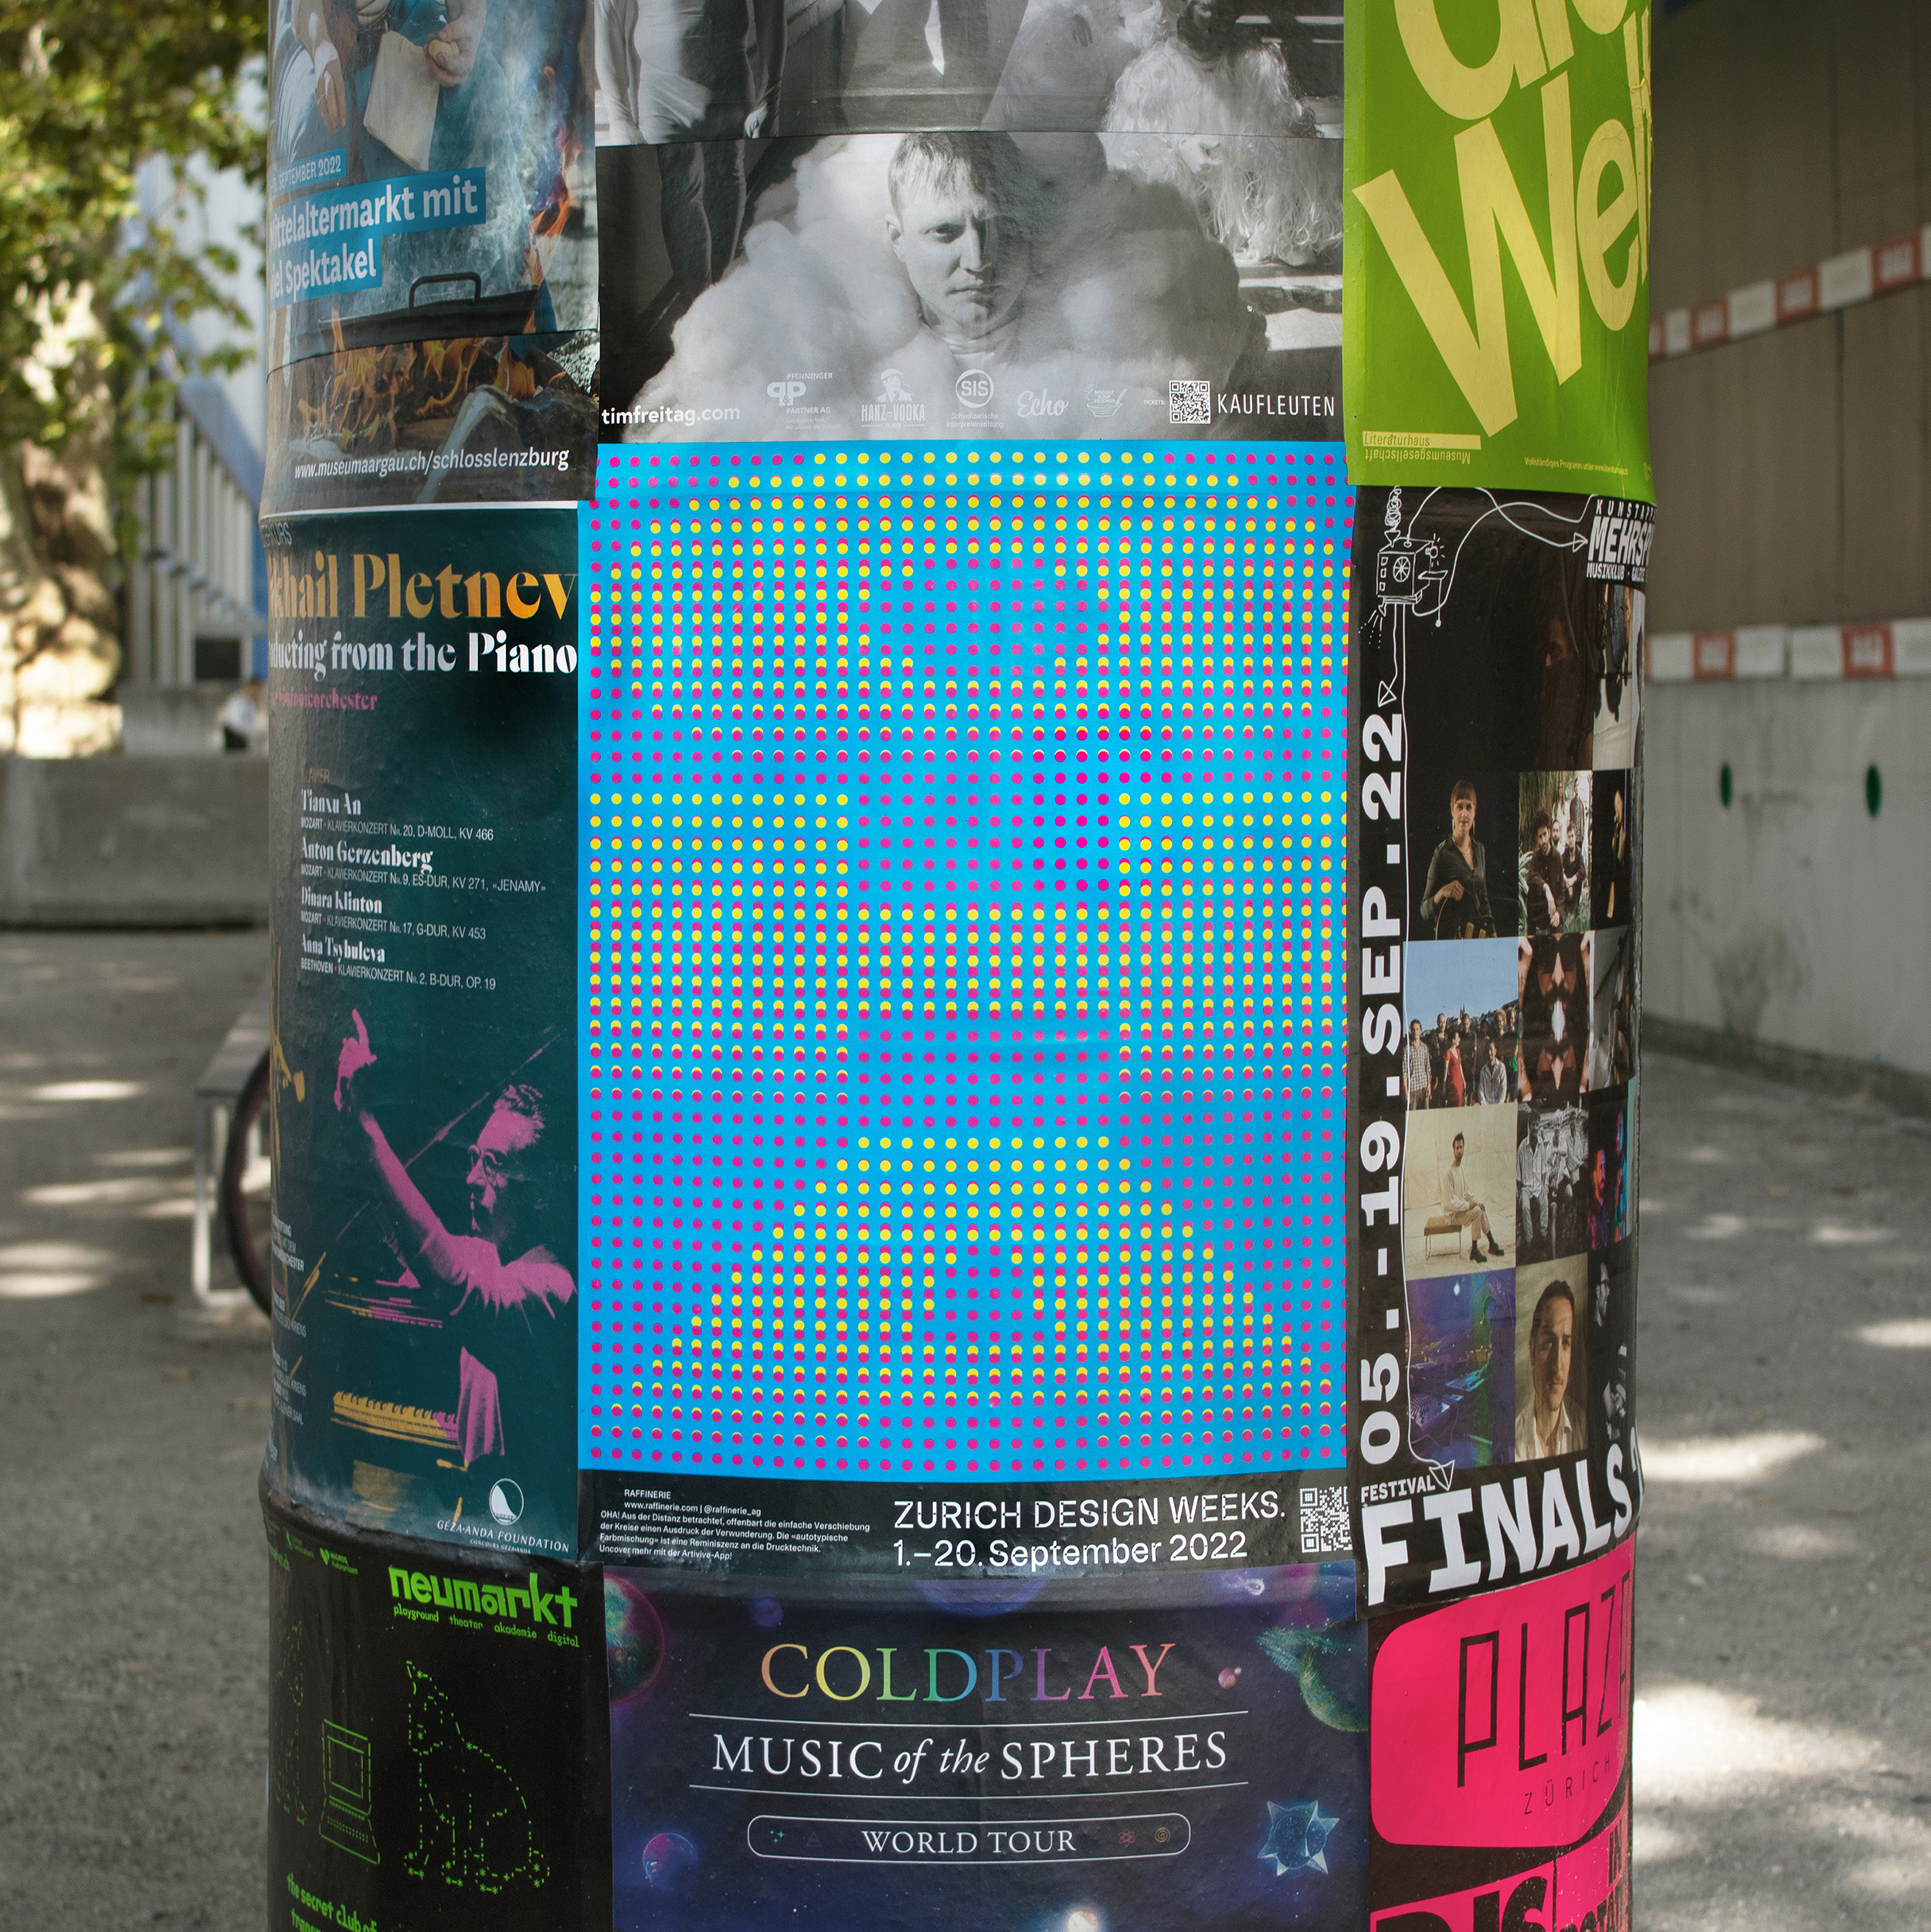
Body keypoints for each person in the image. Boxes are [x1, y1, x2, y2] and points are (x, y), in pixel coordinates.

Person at [334, 1010, 575, 1502]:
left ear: (539, 1194)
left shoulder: (553, 1286)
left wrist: (367, 1127)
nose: (471, 1179)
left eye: (494, 1164)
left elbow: (452, 1277)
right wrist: (351, 1128)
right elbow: (418, 1250)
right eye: (473, 1160)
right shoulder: (491, 1258)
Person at [1098, 0, 1338, 266]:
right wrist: (1178, 145)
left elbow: (1289, 144)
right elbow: (1129, 155)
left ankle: (1274, 236)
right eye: (1206, 7)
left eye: (1225, 10)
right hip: (1184, 223)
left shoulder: (1256, 68)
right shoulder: (1152, 76)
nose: (1215, 20)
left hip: (1244, 220)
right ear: (1183, 8)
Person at [876, 131, 1047, 390]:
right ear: (898, 240)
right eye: (944, 231)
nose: (977, 262)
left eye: (1000, 227)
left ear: (1030, 230)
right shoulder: (860, 361)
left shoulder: (1092, 354)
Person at [1515, 1281, 1583, 1460]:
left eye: (1566, 1343)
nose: (1557, 1365)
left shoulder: (1584, 1428)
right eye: (1548, 1343)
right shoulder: (1513, 1443)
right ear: (1532, 1350)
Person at [1421, 779, 1494, 939]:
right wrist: (1442, 892)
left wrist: (1493, 933)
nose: (1464, 814)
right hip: (1453, 940)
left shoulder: (1480, 849)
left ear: (1475, 811)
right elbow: (1424, 910)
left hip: (1477, 938)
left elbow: (1483, 899)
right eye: (1459, 807)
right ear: (1452, 810)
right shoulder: (1442, 853)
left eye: (1469, 807)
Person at [1441, 1132, 1504, 1267]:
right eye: (1457, 1148)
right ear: (1453, 1150)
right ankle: (1474, 1251)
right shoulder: (1449, 1172)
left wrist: (1477, 1202)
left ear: (1464, 1149)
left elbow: (1466, 1193)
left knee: (1480, 1208)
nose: (1459, 1150)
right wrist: (1469, 1205)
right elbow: (1451, 1203)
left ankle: (1492, 1244)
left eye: (1461, 1147)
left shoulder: (1461, 1169)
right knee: (1476, 1211)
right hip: (1452, 1215)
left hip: (1460, 1211)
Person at [1522, 809, 1568, 934]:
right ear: (1537, 839)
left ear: (1549, 832)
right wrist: (1546, 888)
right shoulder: (1536, 856)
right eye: (1540, 837)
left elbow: (1562, 892)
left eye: (1545, 834)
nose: (1543, 840)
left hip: (1553, 914)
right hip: (1538, 914)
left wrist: (1558, 913)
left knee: (1558, 933)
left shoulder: (1558, 858)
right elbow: (1530, 876)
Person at [1403, 1018, 1431, 1112]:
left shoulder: (1424, 1048)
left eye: (1417, 1029)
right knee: (1413, 1115)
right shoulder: (1407, 1049)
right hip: (1413, 1089)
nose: (1415, 1032)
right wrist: (1406, 1092)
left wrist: (1429, 1085)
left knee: (1426, 1114)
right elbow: (1404, 1073)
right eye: (1413, 1029)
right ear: (1411, 1031)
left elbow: (1428, 1068)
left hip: (1424, 1086)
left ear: (1421, 1031)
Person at [1475, 1036, 1508, 1106]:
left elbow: (1503, 1089)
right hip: (1486, 1105)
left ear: (1495, 1051)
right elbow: (1481, 1091)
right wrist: (1485, 1106)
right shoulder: (1483, 1071)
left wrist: (1498, 1106)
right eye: (1487, 1050)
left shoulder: (1501, 1068)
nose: (1489, 1053)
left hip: (1499, 1105)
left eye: (1491, 1050)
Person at [1444, 1028, 1466, 1107]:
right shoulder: (1448, 1052)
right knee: (1454, 1101)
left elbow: (1460, 1066)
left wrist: (1463, 1080)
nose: (1459, 1039)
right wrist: (1444, 1085)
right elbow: (1446, 1069)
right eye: (1458, 1038)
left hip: (1460, 1080)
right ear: (1453, 1040)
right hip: (1453, 1081)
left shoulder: (1458, 1051)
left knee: (1460, 1100)